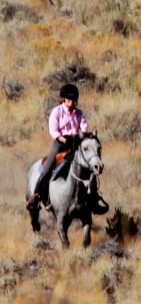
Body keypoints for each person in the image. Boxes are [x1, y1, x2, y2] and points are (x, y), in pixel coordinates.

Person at [26, 84, 109, 215]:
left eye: (74, 100)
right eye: (69, 100)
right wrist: (64, 140)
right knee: (47, 170)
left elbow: (84, 127)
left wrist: (82, 136)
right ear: (63, 99)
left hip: (76, 145)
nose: (71, 103)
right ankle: (35, 197)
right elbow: (53, 130)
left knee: (89, 170)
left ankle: (94, 200)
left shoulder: (79, 113)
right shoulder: (57, 112)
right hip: (60, 145)